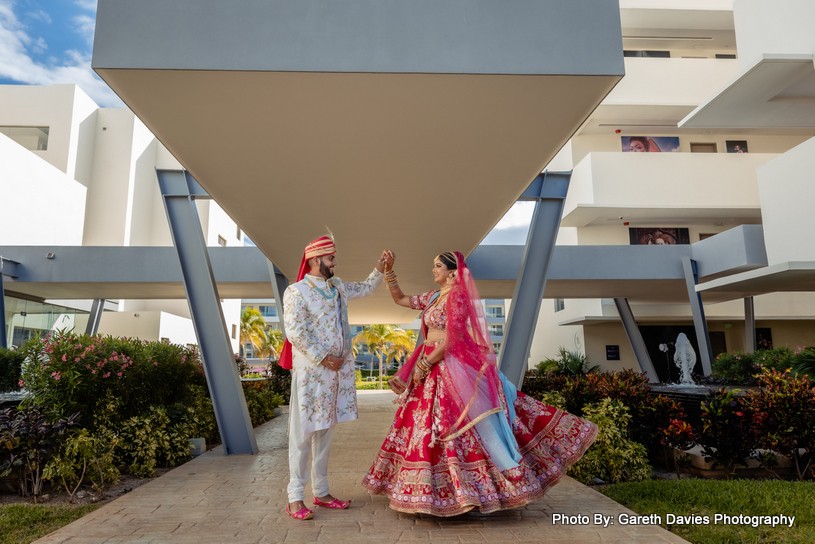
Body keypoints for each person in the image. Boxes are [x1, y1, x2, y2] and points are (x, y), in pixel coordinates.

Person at [362, 251, 598, 516]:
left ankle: (470, 491)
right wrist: (389, 272)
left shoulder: (458, 298)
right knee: (422, 425)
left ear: (453, 272)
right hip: (429, 364)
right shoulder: (431, 297)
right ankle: (426, 490)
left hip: (448, 366)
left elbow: (452, 339)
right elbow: (401, 299)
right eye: (433, 265)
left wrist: (425, 364)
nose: (433, 270)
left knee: (462, 424)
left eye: (437, 265)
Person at [280, 235, 391, 520]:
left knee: (325, 434)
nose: (335, 263)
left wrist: (381, 267)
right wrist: (324, 358)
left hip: (336, 375)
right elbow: (295, 332)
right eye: (331, 259)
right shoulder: (297, 291)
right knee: (303, 435)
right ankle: (294, 498)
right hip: (311, 373)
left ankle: (321, 492)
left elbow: (366, 288)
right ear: (315, 260)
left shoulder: (337, 287)